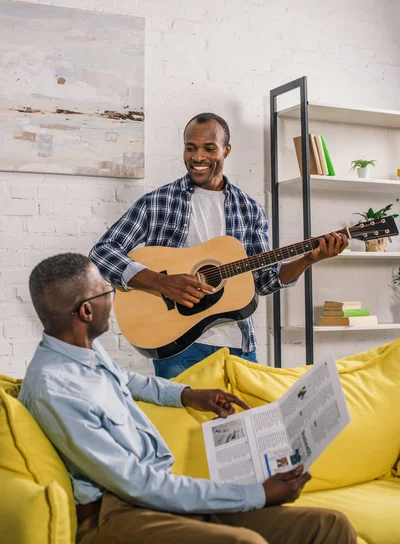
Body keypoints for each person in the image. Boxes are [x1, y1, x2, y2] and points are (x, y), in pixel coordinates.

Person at [19, 253, 356, 544]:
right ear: (86, 313)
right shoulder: (55, 388)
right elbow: (137, 484)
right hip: (118, 514)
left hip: (158, 496)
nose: (114, 299)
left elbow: (128, 381)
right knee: (245, 542)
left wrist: (190, 395)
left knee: (329, 526)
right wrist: (258, 494)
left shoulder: (84, 350)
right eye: (107, 292)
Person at [90, 113, 348, 378]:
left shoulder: (249, 210)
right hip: (180, 347)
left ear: (227, 150)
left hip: (239, 346)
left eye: (209, 148)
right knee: (185, 421)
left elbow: (263, 280)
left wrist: (308, 259)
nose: (198, 157)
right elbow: (102, 252)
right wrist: (160, 282)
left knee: (245, 419)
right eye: (191, 148)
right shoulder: (158, 202)